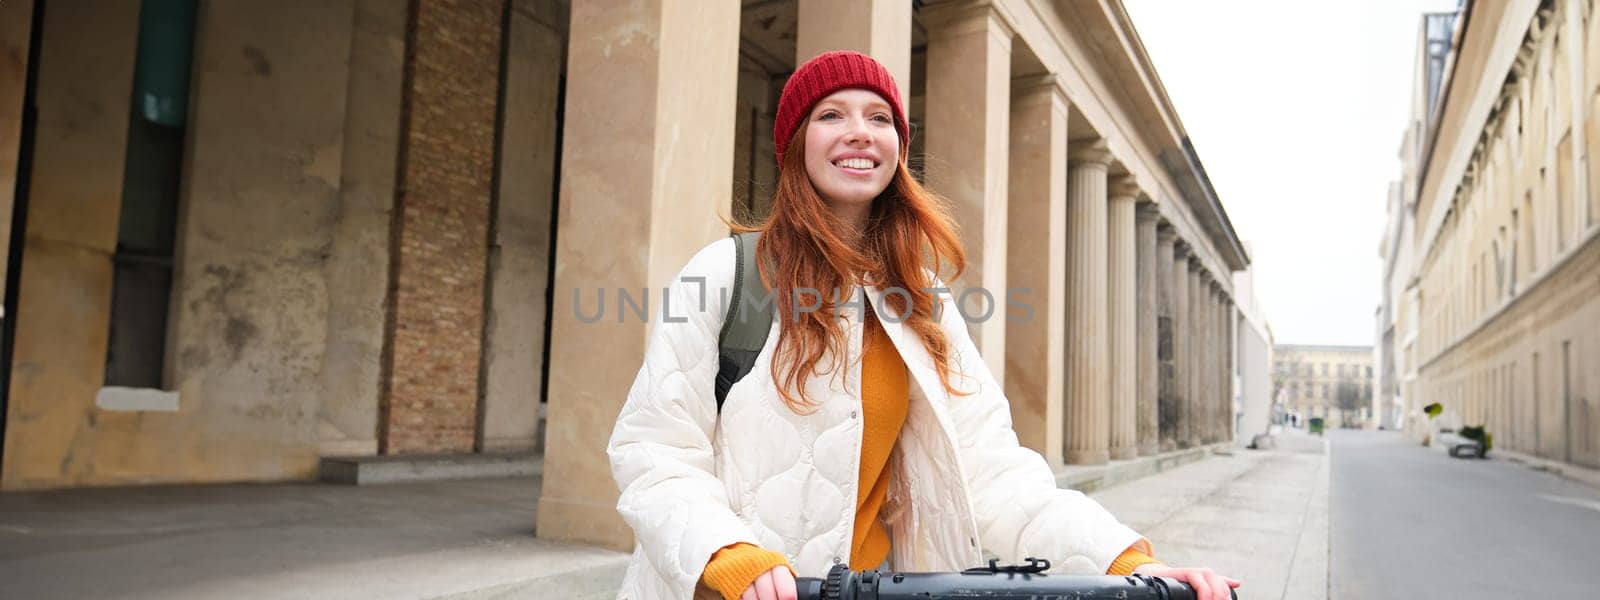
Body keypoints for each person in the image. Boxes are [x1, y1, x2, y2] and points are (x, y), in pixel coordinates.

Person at [607, 50, 1241, 600]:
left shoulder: (919, 299)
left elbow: (991, 470)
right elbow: (655, 452)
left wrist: (1127, 563)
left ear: (898, 150)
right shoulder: (727, 272)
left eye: (878, 118)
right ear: (795, 145)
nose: (859, 133)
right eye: (831, 115)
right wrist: (726, 554)